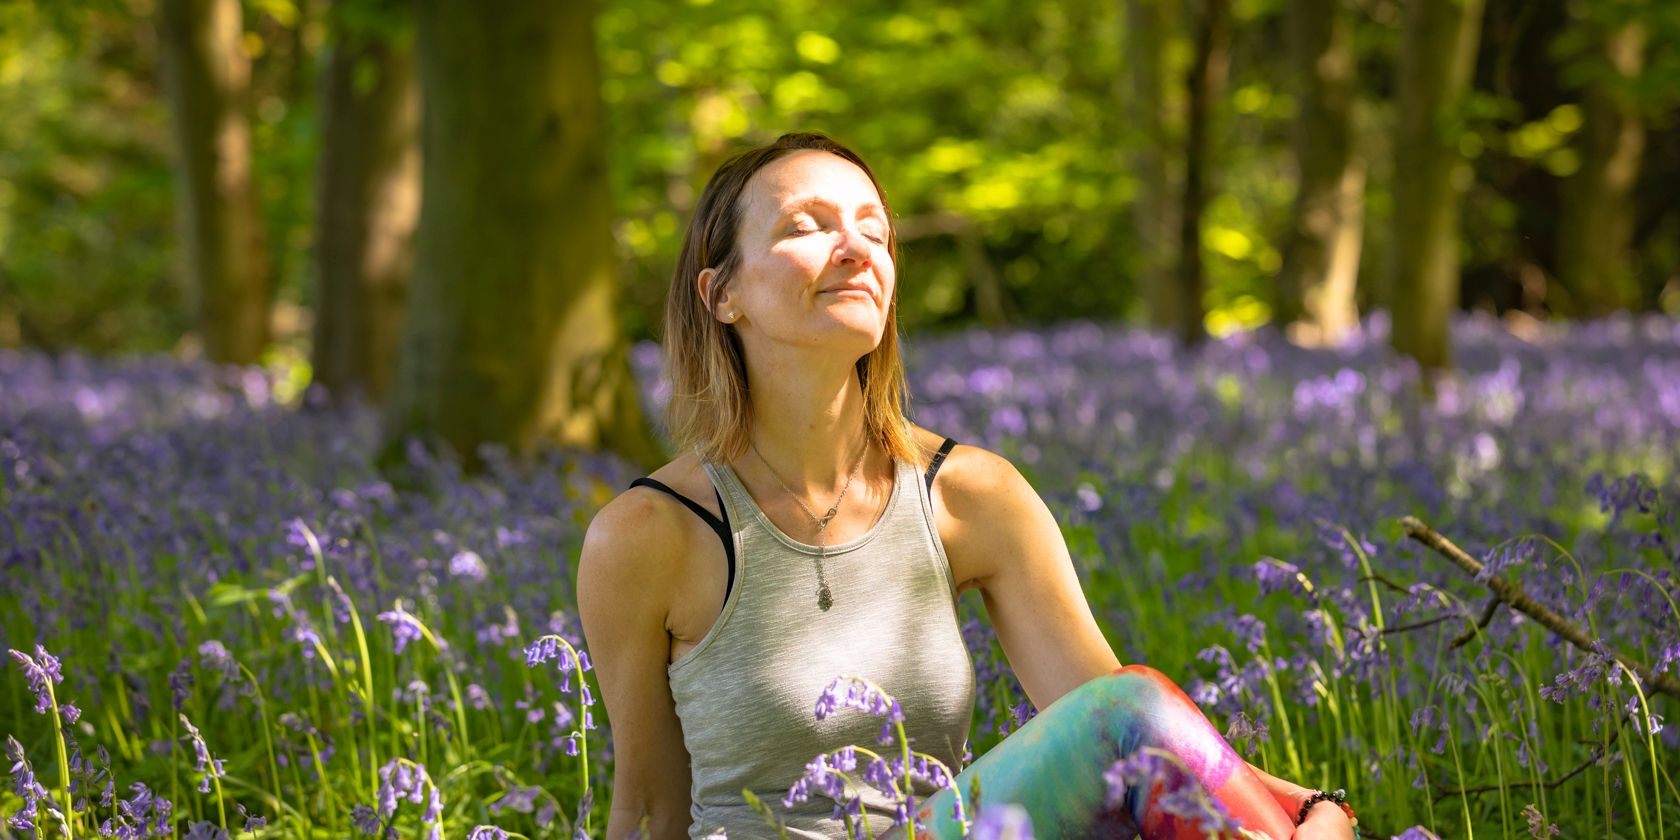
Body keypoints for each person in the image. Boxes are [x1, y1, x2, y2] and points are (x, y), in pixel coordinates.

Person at [576, 132, 1357, 840]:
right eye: (808, 226)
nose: (856, 248)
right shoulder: (649, 535)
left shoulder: (969, 495)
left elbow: (1126, 734)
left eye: (874, 230)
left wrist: (1314, 808)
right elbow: (648, 811)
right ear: (723, 295)